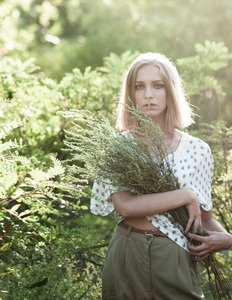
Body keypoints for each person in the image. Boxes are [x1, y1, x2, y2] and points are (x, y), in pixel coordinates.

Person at [90, 52, 230, 300]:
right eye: (139, 87)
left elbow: (204, 219)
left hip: (175, 254)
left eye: (158, 86)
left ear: (171, 91)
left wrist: (228, 240)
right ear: (130, 94)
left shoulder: (198, 150)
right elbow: (126, 206)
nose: (148, 95)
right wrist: (185, 195)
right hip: (127, 255)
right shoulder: (119, 147)